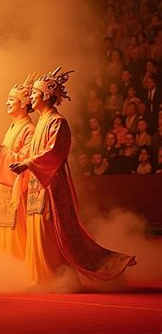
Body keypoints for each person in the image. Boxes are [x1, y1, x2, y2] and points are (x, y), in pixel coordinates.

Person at [10, 67, 135, 290]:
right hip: (37, 184)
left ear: (47, 96)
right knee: (37, 231)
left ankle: (53, 277)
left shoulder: (57, 122)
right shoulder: (40, 123)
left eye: (35, 94)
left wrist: (28, 163)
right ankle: (40, 278)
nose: (32, 98)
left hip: (52, 186)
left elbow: (55, 153)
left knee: (49, 233)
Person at [0, 75, 35, 259]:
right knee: (5, 227)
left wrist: (3, 152)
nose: (6, 102)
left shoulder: (29, 130)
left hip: (18, 187)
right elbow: (3, 157)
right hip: (5, 186)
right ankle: (6, 265)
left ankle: (19, 264)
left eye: (11, 99)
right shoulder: (12, 127)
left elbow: (26, 160)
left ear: (23, 103)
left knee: (17, 228)